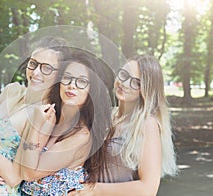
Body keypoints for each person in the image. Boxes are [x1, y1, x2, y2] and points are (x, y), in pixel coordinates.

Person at [0, 49, 112, 195]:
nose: (72, 85)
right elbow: (6, 155)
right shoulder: (51, 116)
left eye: (82, 81)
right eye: (67, 77)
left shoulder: (81, 136)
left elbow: (27, 173)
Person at [69, 54, 178, 195]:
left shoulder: (147, 124)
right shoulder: (106, 115)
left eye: (136, 83)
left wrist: (92, 189)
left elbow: (148, 189)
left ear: (147, 89)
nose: (125, 83)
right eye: (124, 75)